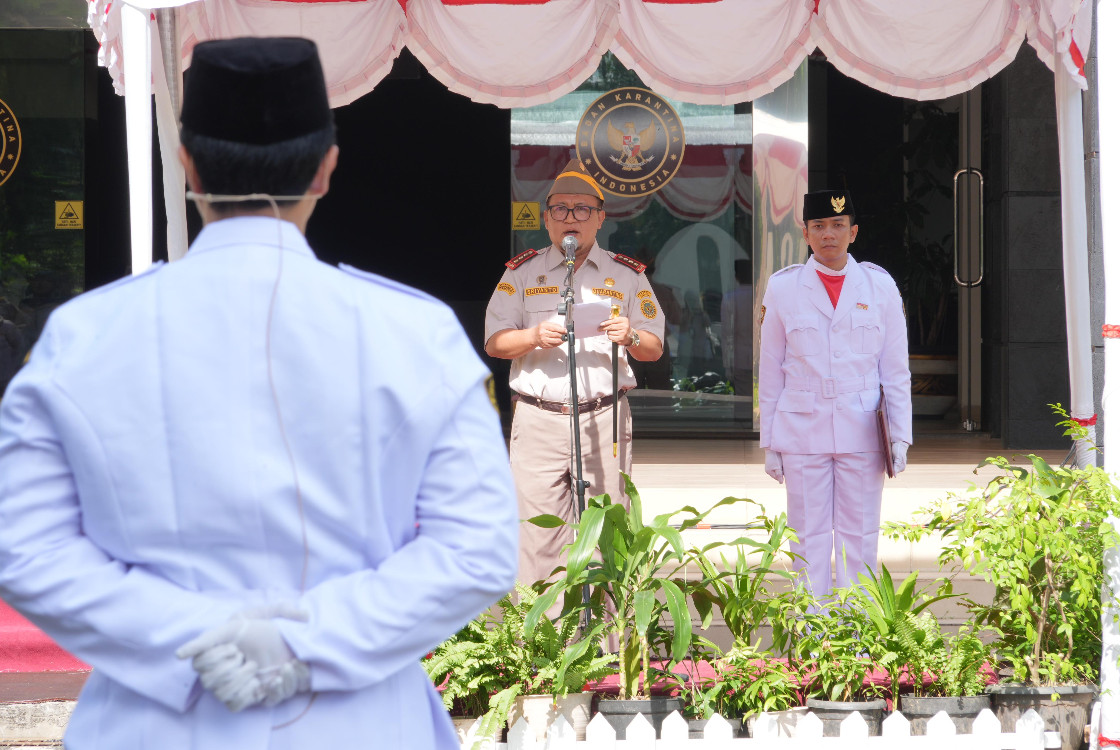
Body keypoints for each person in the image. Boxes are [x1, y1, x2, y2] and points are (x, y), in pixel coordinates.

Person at [0, 37, 518, 749]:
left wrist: (188, 638)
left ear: (187, 164)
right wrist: (307, 642)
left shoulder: (83, 335)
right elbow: (475, 550)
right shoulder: (415, 333)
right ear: (326, 168)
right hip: (361, 723)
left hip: (151, 724)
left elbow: (27, 548)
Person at [484, 158, 665, 589]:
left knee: (607, 530)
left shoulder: (626, 275)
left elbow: (654, 347)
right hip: (538, 418)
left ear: (600, 218)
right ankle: (542, 630)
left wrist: (630, 336)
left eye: (582, 209)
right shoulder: (521, 273)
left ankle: (604, 630)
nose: (571, 218)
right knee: (537, 535)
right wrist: (532, 336)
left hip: (603, 418)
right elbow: (494, 342)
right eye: (560, 209)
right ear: (546, 219)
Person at [758, 189, 911, 599]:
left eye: (838, 225)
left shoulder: (879, 286)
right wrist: (770, 442)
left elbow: (896, 370)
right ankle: (812, 629)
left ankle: (855, 629)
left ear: (853, 232)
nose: (829, 234)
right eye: (819, 226)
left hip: (862, 427)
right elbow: (770, 370)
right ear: (805, 233)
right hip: (801, 428)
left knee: (860, 536)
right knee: (806, 537)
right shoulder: (783, 288)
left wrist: (900, 436)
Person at [720, 258, 753, 402]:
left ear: (736, 276)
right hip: (761, 357)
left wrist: (727, 364)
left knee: (742, 401)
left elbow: (727, 334)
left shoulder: (730, 298)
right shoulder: (762, 296)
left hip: (740, 359)